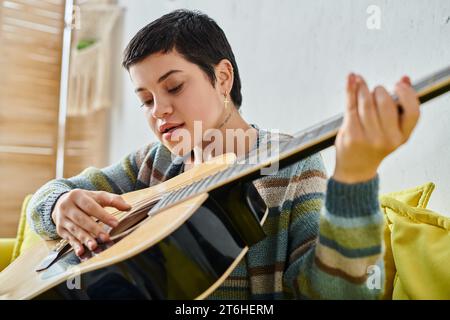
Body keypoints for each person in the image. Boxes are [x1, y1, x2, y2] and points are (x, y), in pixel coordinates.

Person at [27, 9, 420, 299]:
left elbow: (335, 295)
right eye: (146, 100)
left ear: (222, 78)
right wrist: (59, 204)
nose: (159, 110)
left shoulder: (294, 166)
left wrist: (357, 175)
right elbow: (47, 200)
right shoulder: (152, 164)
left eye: (174, 87)